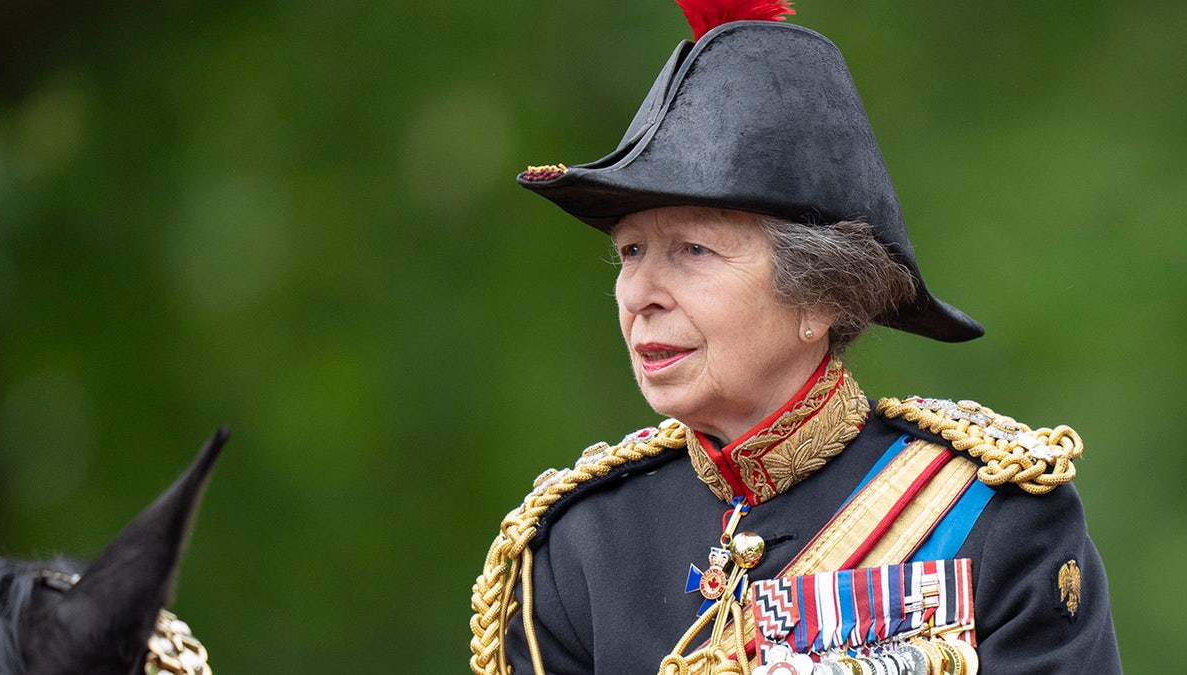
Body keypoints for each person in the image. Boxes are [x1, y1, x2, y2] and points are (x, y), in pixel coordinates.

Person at [470, 2, 1122, 673]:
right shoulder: (576, 546)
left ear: (822, 295)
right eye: (632, 251)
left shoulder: (994, 517)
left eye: (693, 250)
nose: (641, 294)